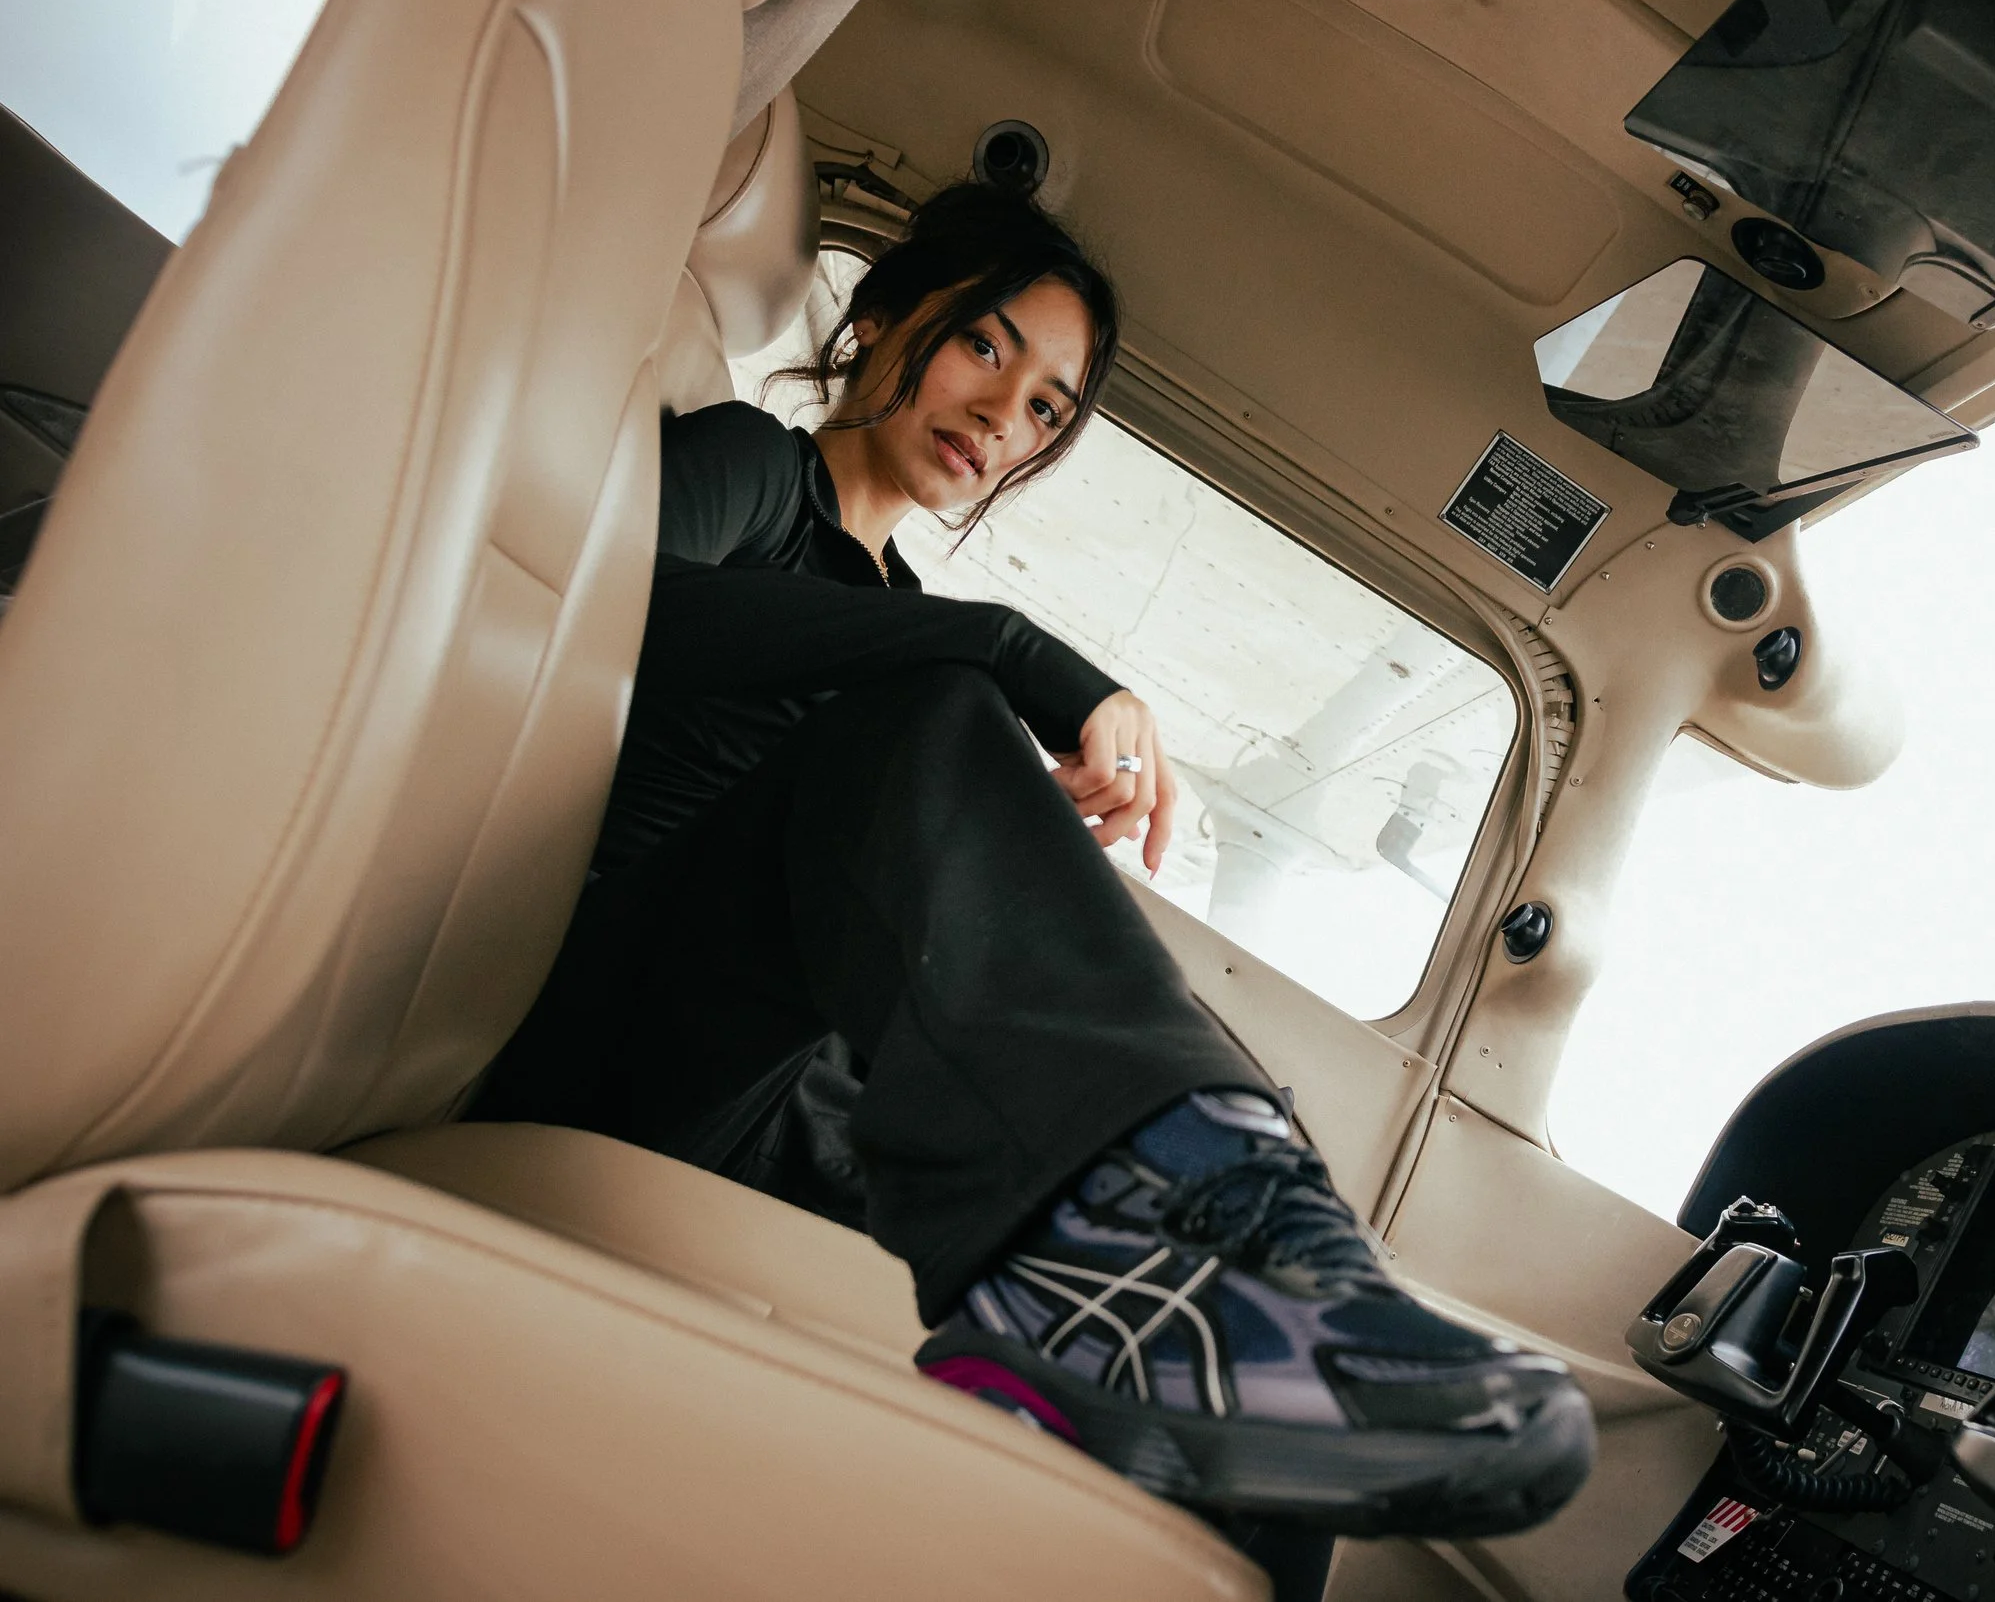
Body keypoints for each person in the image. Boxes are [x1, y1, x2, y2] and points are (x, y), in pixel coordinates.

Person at [470, 183, 1594, 1539]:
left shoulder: (916, 637)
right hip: (594, 1024)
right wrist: (1005, 651)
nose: (1007, 414)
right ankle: (1173, 1239)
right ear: (882, 323)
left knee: (1263, 1409)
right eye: (985, 346)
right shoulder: (753, 475)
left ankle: (1257, 1255)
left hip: (778, 1101)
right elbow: (615, 611)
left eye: (1052, 405)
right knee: (932, 714)